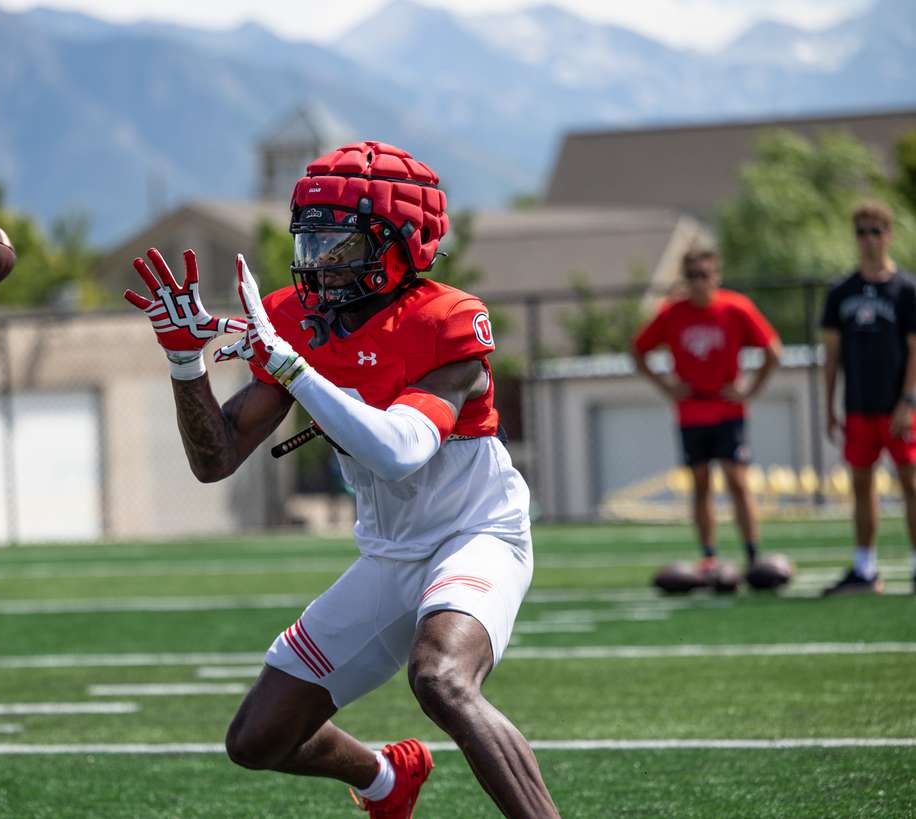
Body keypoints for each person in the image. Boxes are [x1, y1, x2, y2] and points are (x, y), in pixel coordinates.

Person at [124, 141, 559, 817]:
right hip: (389, 551)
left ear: (404, 243)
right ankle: (386, 779)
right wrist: (188, 367)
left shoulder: (445, 319)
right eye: (312, 239)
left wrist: (295, 367)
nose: (321, 262)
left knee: (441, 678)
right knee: (257, 738)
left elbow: (402, 450)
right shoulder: (296, 320)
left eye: (342, 242)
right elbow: (216, 459)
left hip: (476, 535)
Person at [631, 248, 782, 579]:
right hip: (691, 410)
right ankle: (710, 556)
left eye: (705, 275)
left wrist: (750, 389)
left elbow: (773, 349)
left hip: (728, 407)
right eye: (692, 276)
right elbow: (638, 350)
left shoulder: (736, 308)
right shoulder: (672, 313)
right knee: (700, 483)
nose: (699, 283)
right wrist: (667, 387)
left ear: (717, 276)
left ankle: (753, 553)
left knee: (737, 479)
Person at [820, 200, 916, 596]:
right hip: (858, 406)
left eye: (876, 231)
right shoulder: (841, 292)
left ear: (889, 234)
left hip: (898, 407)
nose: (869, 239)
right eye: (862, 231)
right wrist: (828, 405)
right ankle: (865, 568)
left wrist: (908, 401)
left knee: (910, 484)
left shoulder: (906, 290)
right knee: (861, 485)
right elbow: (831, 355)